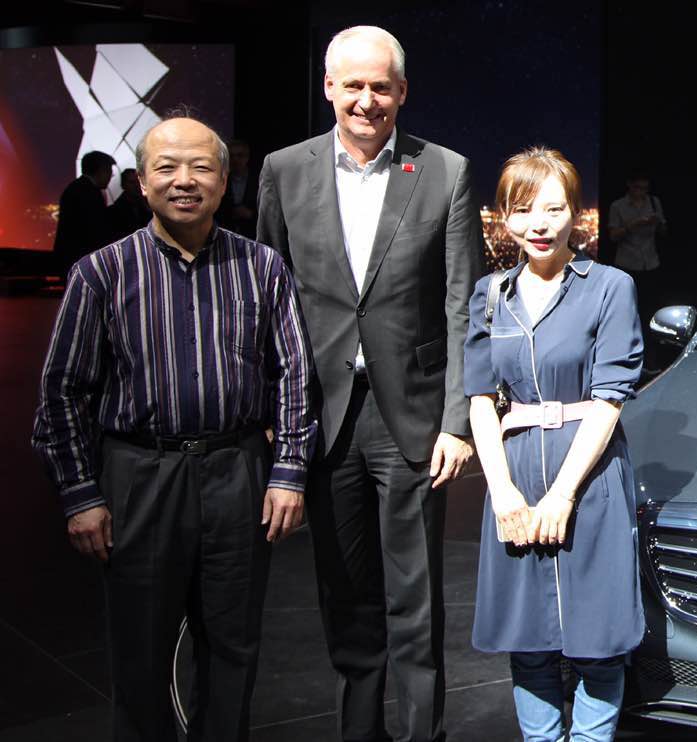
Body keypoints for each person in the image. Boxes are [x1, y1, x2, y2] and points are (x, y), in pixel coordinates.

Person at [31, 116, 316, 741]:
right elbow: (62, 393)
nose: (184, 180)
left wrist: (289, 473)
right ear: (141, 181)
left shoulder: (263, 267)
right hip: (139, 476)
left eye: (201, 167)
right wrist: (80, 495)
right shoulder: (101, 272)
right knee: (139, 655)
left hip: (237, 473)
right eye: (167, 168)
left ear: (224, 180)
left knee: (233, 648)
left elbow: (294, 376)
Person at [256, 25, 482, 742]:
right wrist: (275, 410)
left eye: (380, 86)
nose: (366, 99)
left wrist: (456, 422)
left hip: (411, 417)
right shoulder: (283, 171)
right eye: (352, 84)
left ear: (402, 92)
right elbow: (268, 299)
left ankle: (421, 735)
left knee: (414, 598)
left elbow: (462, 303)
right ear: (328, 87)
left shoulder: (443, 170)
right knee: (344, 593)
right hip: (321, 415)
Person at [465, 147, 645, 742]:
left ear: (575, 213)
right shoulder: (491, 294)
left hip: (589, 476)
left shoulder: (610, 287)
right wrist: (501, 493)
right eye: (522, 210)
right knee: (529, 639)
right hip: (515, 472)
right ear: (504, 217)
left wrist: (564, 494)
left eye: (553, 209)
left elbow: (610, 398)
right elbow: (479, 400)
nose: (537, 224)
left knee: (598, 639)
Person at [607, 173, 666, 322]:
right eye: (638, 188)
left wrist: (657, 222)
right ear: (630, 185)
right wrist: (633, 225)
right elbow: (613, 236)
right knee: (626, 307)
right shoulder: (618, 206)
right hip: (627, 263)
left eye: (645, 189)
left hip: (651, 262)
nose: (641, 192)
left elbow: (664, 231)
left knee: (649, 307)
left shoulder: (653, 202)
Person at [53, 150, 115, 276]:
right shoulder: (88, 193)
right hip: (80, 261)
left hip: (72, 260)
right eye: (109, 171)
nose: (111, 176)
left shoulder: (78, 188)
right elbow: (94, 230)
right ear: (100, 171)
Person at [216, 139, 258, 237]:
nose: (235, 160)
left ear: (247, 157)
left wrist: (251, 214)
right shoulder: (219, 180)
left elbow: (268, 211)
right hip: (225, 232)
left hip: (253, 233)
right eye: (231, 156)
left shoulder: (259, 180)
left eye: (240, 155)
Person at [106, 167, 151, 240]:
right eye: (132, 182)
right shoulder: (116, 210)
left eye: (138, 181)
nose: (136, 185)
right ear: (123, 185)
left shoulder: (147, 201)